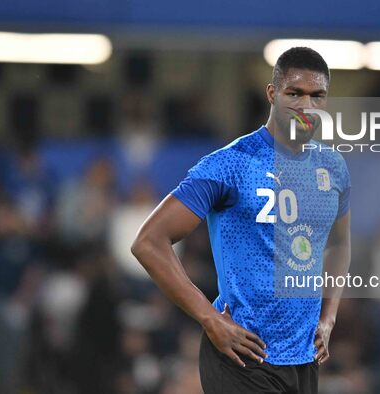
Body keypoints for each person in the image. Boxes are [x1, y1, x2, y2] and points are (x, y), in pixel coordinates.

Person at [131, 47, 351, 394]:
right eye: (294, 93)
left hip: (302, 358)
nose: (305, 105)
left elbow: (339, 245)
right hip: (242, 356)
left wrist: (328, 317)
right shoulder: (231, 165)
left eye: (316, 96)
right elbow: (148, 241)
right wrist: (209, 318)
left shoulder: (332, 167)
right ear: (272, 93)